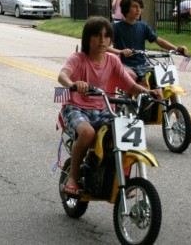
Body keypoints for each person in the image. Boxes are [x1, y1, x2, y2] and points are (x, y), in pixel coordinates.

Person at [57, 16, 163, 196]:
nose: (102, 40)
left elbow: (129, 85)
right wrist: (73, 84)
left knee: (125, 133)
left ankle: (121, 178)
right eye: (97, 35)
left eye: (107, 36)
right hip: (76, 107)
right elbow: (62, 75)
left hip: (103, 109)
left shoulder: (113, 60)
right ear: (87, 38)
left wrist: (147, 91)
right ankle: (73, 177)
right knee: (87, 132)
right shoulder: (78, 58)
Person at [109, 0, 191, 143]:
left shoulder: (143, 26)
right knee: (131, 77)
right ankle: (126, 112)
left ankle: (183, 126)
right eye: (134, 6)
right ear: (125, 9)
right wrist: (120, 52)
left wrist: (177, 49)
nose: (138, 10)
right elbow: (106, 47)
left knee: (168, 87)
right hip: (125, 65)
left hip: (143, 64)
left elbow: (158, 41)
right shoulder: (116, 27)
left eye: (140, 7)